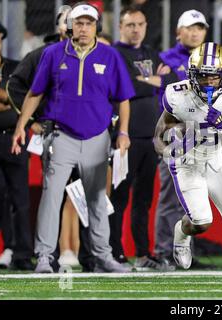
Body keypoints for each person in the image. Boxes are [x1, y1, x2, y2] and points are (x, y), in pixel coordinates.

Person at [11, 3, 134, 273]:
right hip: (60, 137)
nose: (83, 28)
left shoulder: (110, 56)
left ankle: (103, 255)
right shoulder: (53, 54)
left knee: (97, 200)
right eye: (78, 23)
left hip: (97, 138)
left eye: (89, 23)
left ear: (96, 27)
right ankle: (44, 256)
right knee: (51, 198)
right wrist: (22, 126)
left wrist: (123, 131)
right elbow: (34, 93)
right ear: (69, 26)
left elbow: (123, 99)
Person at [153, 42, 222, 283]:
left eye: (213, 77)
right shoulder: (178, 94)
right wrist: (178, 143)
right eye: (202, 76)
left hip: (217, 157)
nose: (207, 82)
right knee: (202, 222)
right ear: (191, 74)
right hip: (189, 161)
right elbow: (159, 139)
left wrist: (221, 127)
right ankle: (181, 233)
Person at [110, 6, 172, 270]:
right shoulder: (114, 53)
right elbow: (123, 87)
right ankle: (114, 251)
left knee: (144, 200)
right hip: (125, 136)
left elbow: (172, 81)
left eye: (140, 24)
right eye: (130, 24)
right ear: (121, 26)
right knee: (119, 197)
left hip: (151, 137)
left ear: (146, 26)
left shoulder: (150, 52)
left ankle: (143, 253)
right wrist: (152, 80)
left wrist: (147, 80)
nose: (135, 29)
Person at [154, 9, 214, 269]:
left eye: (199, 28)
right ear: (178, 31)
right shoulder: (165, 59)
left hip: (203, 138)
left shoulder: (211, 60)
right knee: (170, 197)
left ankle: (184, 254)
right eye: (189, 27)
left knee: (194, 197)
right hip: (175, 136)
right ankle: (164, 251)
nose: (194, 32)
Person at [0, 19, 34, 271]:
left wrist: (5, 96)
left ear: (0, 36)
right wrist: (8, 100)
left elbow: (25, 99)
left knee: (20, 198)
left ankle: (21, 253)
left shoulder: (16, 68)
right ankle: (2, 249)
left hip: (15, 137)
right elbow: (14, 102)